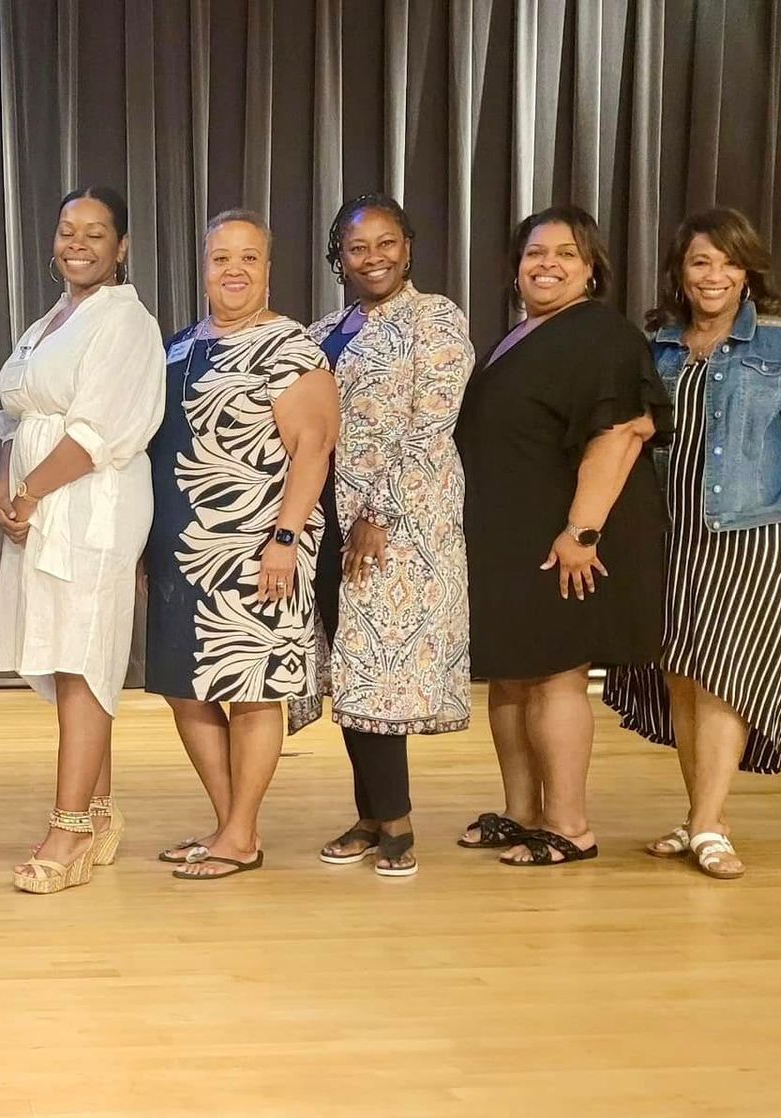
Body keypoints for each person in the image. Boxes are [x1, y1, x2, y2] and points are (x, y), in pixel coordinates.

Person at [603, 208, 781, 879]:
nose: (714, 276)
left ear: (748, 273)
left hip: (747, 535)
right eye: (700, 262)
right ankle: (698, 818)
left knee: (720, 681)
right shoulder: (655, 345)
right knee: (682, 678)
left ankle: (712, 825)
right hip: (667, 539)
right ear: (680, 275)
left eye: (728, 262)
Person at [455, 205, 672, 868]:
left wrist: (582, 530)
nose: (546, 264)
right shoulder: (520, 336)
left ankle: (570, 825)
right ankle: (522, 813)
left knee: (556, 678)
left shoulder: (600, 335)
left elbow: (621, 432)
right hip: (511, 538)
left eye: (566, 254)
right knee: (513, 679)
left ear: (592, 269)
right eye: (534, 254)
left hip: (565, 538)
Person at [144, 209, 338, 883]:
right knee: (186, 688)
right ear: (203, 267)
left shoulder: (289, 348)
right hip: (183, 548)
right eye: (221, 257)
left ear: (268, 269)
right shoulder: (177, 345)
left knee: (254, 690)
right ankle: (230, 824)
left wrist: (284, 537)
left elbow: (314, 449)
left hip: (259, 547)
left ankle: (242, 833)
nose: (234, 270)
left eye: (249, 258)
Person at [0, 186, 166, 894]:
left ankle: (66, 832)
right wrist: (8, 488)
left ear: (121, 247)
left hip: (89, 504)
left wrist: (30, 490)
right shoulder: (51, 320)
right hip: (41, 506)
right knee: (70, 663)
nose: (79, 243)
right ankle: (97, 813)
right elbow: (18, 417)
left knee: (88, 658)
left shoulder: (125, 323)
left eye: (96, 233)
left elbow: (95, 432)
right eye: (68, 229)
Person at [304, 195, 473, 879]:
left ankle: (397, 825)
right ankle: (370, 815)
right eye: (356, 246)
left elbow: (430, 426)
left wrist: (380, 511)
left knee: (378, 672)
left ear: (407, 246)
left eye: (385, 243)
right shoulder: (324, 328)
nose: (372, 257)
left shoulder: (435, 319)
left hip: (397, 525)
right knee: (352, 672)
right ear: (336, 256)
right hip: (326, 518)